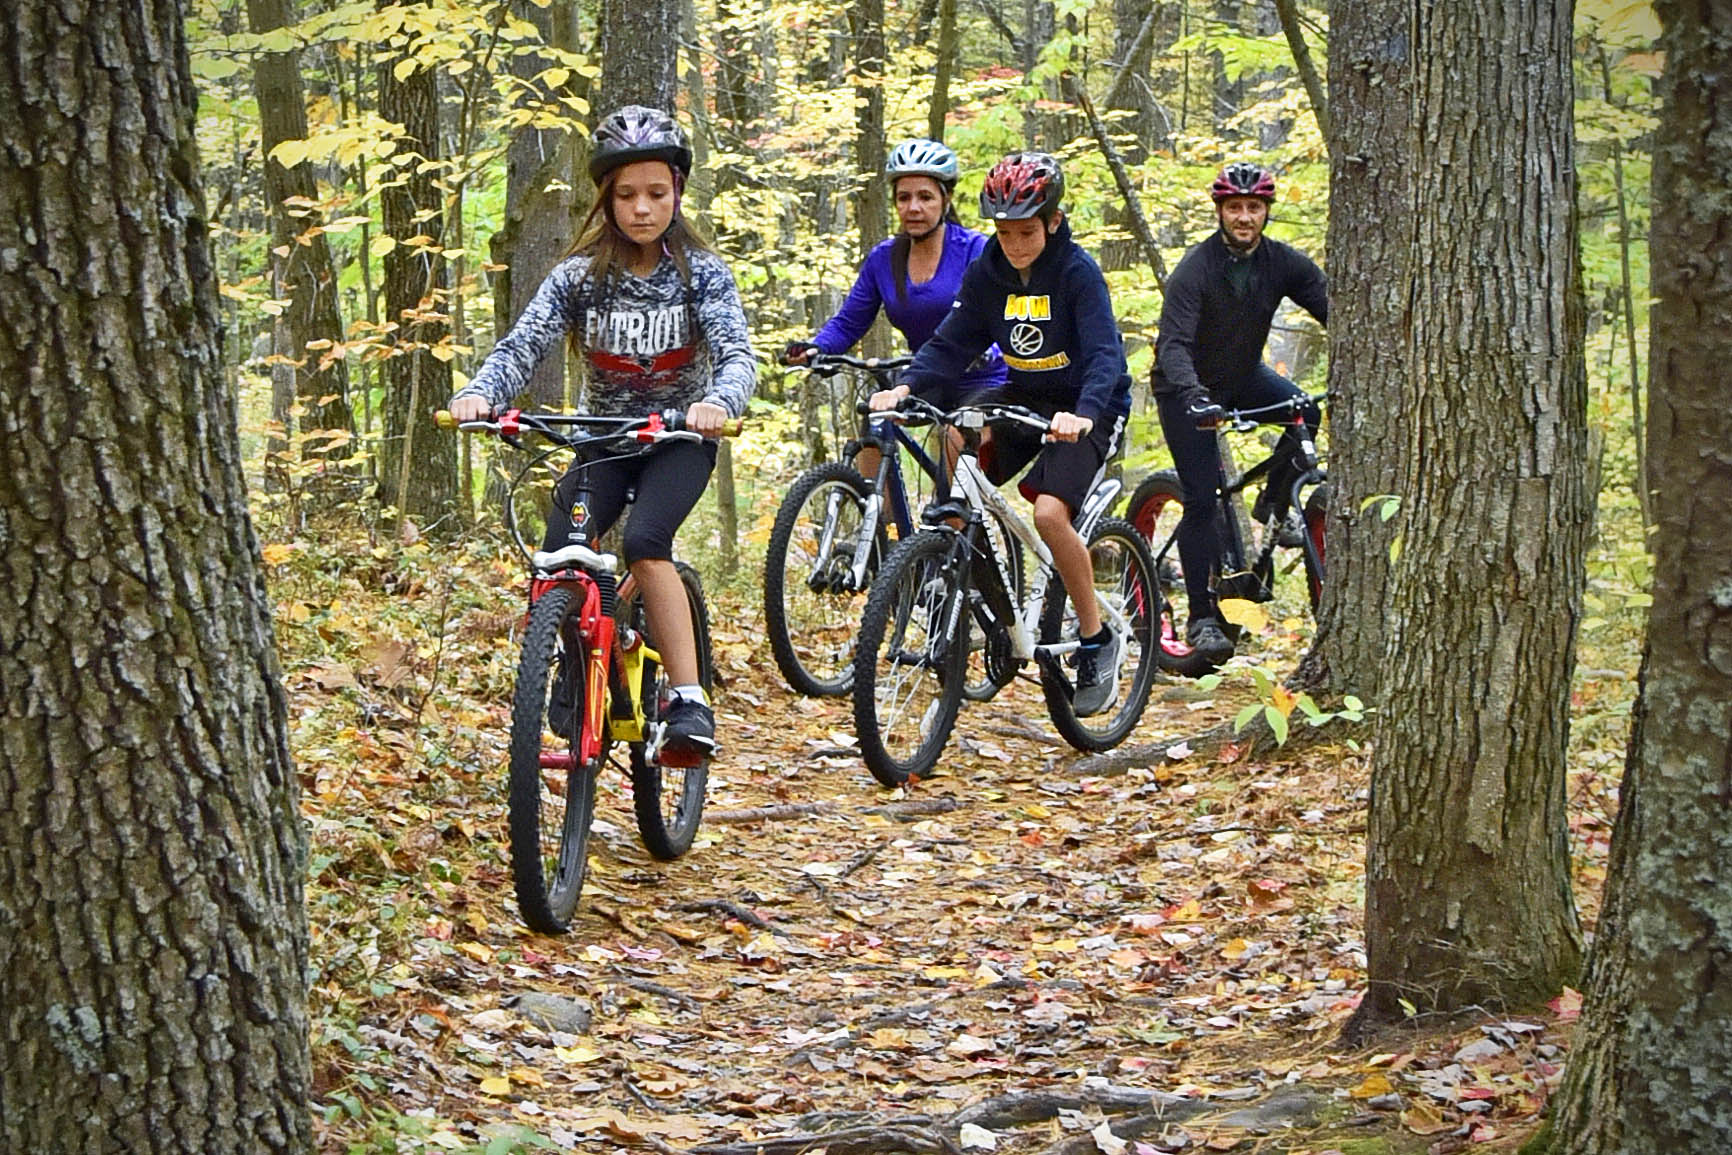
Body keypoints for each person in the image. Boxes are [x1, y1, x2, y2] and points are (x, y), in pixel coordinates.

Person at [448, 105, 756, 758]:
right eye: (626, 195)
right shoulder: (578, 277)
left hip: (678, 442)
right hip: (602, 441)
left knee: (646, 542)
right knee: (561, 554)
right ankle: (568, 664)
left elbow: (736, 355)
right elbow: (521, 345)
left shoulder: (701, 273)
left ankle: (688, 699)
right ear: (606, 199)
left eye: (655, 193)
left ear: (677, 192)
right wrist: (481, 393)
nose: (641, 208)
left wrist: (719, 402)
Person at [868, 151, 1133, 717]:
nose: (1015, 244)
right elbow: (952, 340)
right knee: (960, 440)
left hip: (1087, 404)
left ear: (1053, 221)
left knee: (1047, 514)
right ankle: (964, 574)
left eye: (1027, 232)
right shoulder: (989, 267)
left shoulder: (1077, 273)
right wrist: (909, 388)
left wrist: (1084, 412)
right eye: (1006, 233)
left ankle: (1095, 640)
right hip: (1023, 394)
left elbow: (1107, 355)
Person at [1151, 161, 1328, 665]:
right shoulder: (1196, 269)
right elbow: (1175, 345)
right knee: (1202, 500)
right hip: (1184, 387)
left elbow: (1332, 306)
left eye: (1253, 208)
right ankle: (1202, 617)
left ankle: (1271, 506)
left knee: (1303, 412)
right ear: (1220, 212)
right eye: (1235, 208)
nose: (1244, 217)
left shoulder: (1282, 262)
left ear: (1266, 212)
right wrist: (1192, 395)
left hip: (1242, 375)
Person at [783, 139, 1007, 479]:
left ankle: (954, 526)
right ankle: (876, 519)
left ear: (945, 200)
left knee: (954, 440)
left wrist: (987, 350)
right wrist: (816, 348)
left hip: (985, 379)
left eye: (925, 197)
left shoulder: (976, 250)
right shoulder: (884, 259)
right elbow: (848, 323)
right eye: (904, 198)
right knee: (875, 418)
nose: (913, 207)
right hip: (926, 376)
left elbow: (1003, 315)